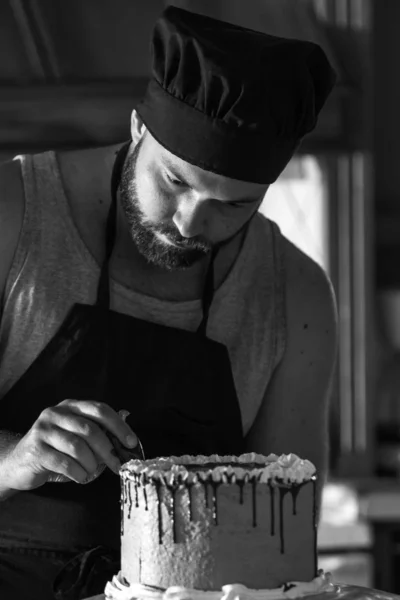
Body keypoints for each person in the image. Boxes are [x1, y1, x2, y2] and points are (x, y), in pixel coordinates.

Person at [0, 6, 337, 600]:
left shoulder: (295, 293)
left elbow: (285, 528)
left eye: (233, 205)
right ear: (137, 128)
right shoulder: (14, 216)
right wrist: (14, 459)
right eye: (176, 181)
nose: (190, 223)